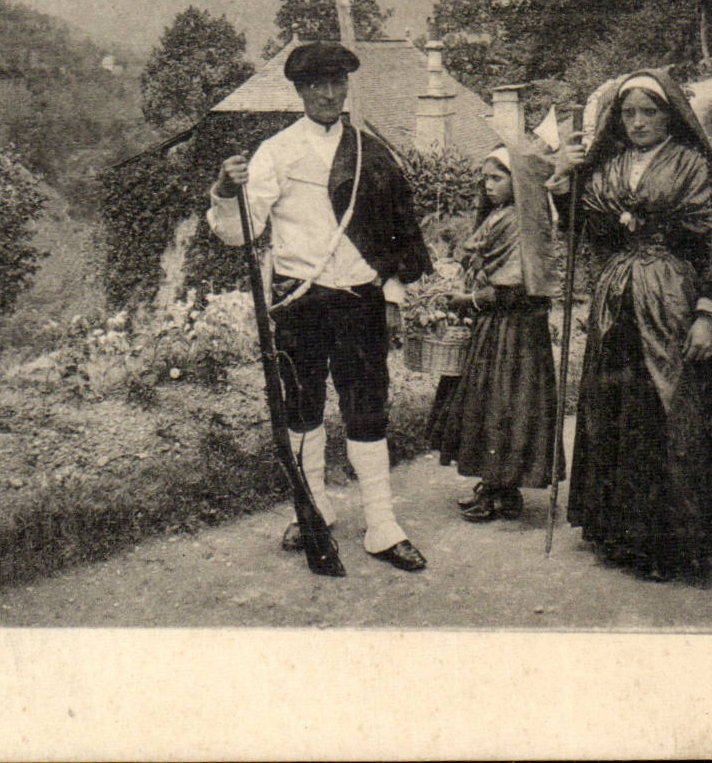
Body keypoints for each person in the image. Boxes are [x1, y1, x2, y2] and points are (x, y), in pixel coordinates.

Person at [208, 41, 432, 572]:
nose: (329, 94)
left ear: (347, 88)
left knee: (367, 411)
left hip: (360, 301)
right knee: (303, 411)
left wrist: (393, 296)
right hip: (300, 302)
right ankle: (313, 511)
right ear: (300, 92)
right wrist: (223, 191)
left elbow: (401, 234)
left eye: (338, 84)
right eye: (317, 86)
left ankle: (382, 525)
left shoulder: (371, 152)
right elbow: (241, 233)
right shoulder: (276, 152)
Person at [551, 69, 712, 580]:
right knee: (618, 408)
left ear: (669, 115)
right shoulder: (610, 165)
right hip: (618, 303)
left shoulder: (692, 165)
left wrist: (707, 312)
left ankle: (672, 542)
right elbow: (587, 228)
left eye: (649, 112)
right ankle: (619, 530)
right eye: (628, 113)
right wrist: (565, 182)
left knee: (671, 410)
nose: (637, 123)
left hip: (673, 300)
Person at [426, 144, 562, 522]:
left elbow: (514, 288)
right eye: (485, 177)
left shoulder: (522, 222)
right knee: (484, 405)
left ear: (518, 181)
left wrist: (470, 299)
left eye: (497, 177)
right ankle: (493, 484)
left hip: (515, 331)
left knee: (507, 405)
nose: (488, 185)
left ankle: (504, 489)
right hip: (493, 329)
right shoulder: (497, 216)